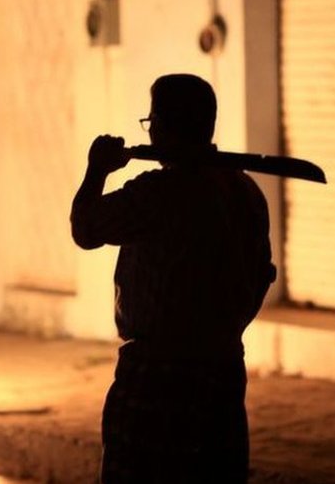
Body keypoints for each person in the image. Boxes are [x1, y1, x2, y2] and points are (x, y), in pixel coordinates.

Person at [71, 73, 276, 483]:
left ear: (164, 125)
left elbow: (86, 229)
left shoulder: (158, 193)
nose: (151, 131)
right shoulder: (246, 192)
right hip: (222, 369)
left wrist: (97, 170)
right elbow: (261, 277)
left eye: (151, 121)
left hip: (160, 375)